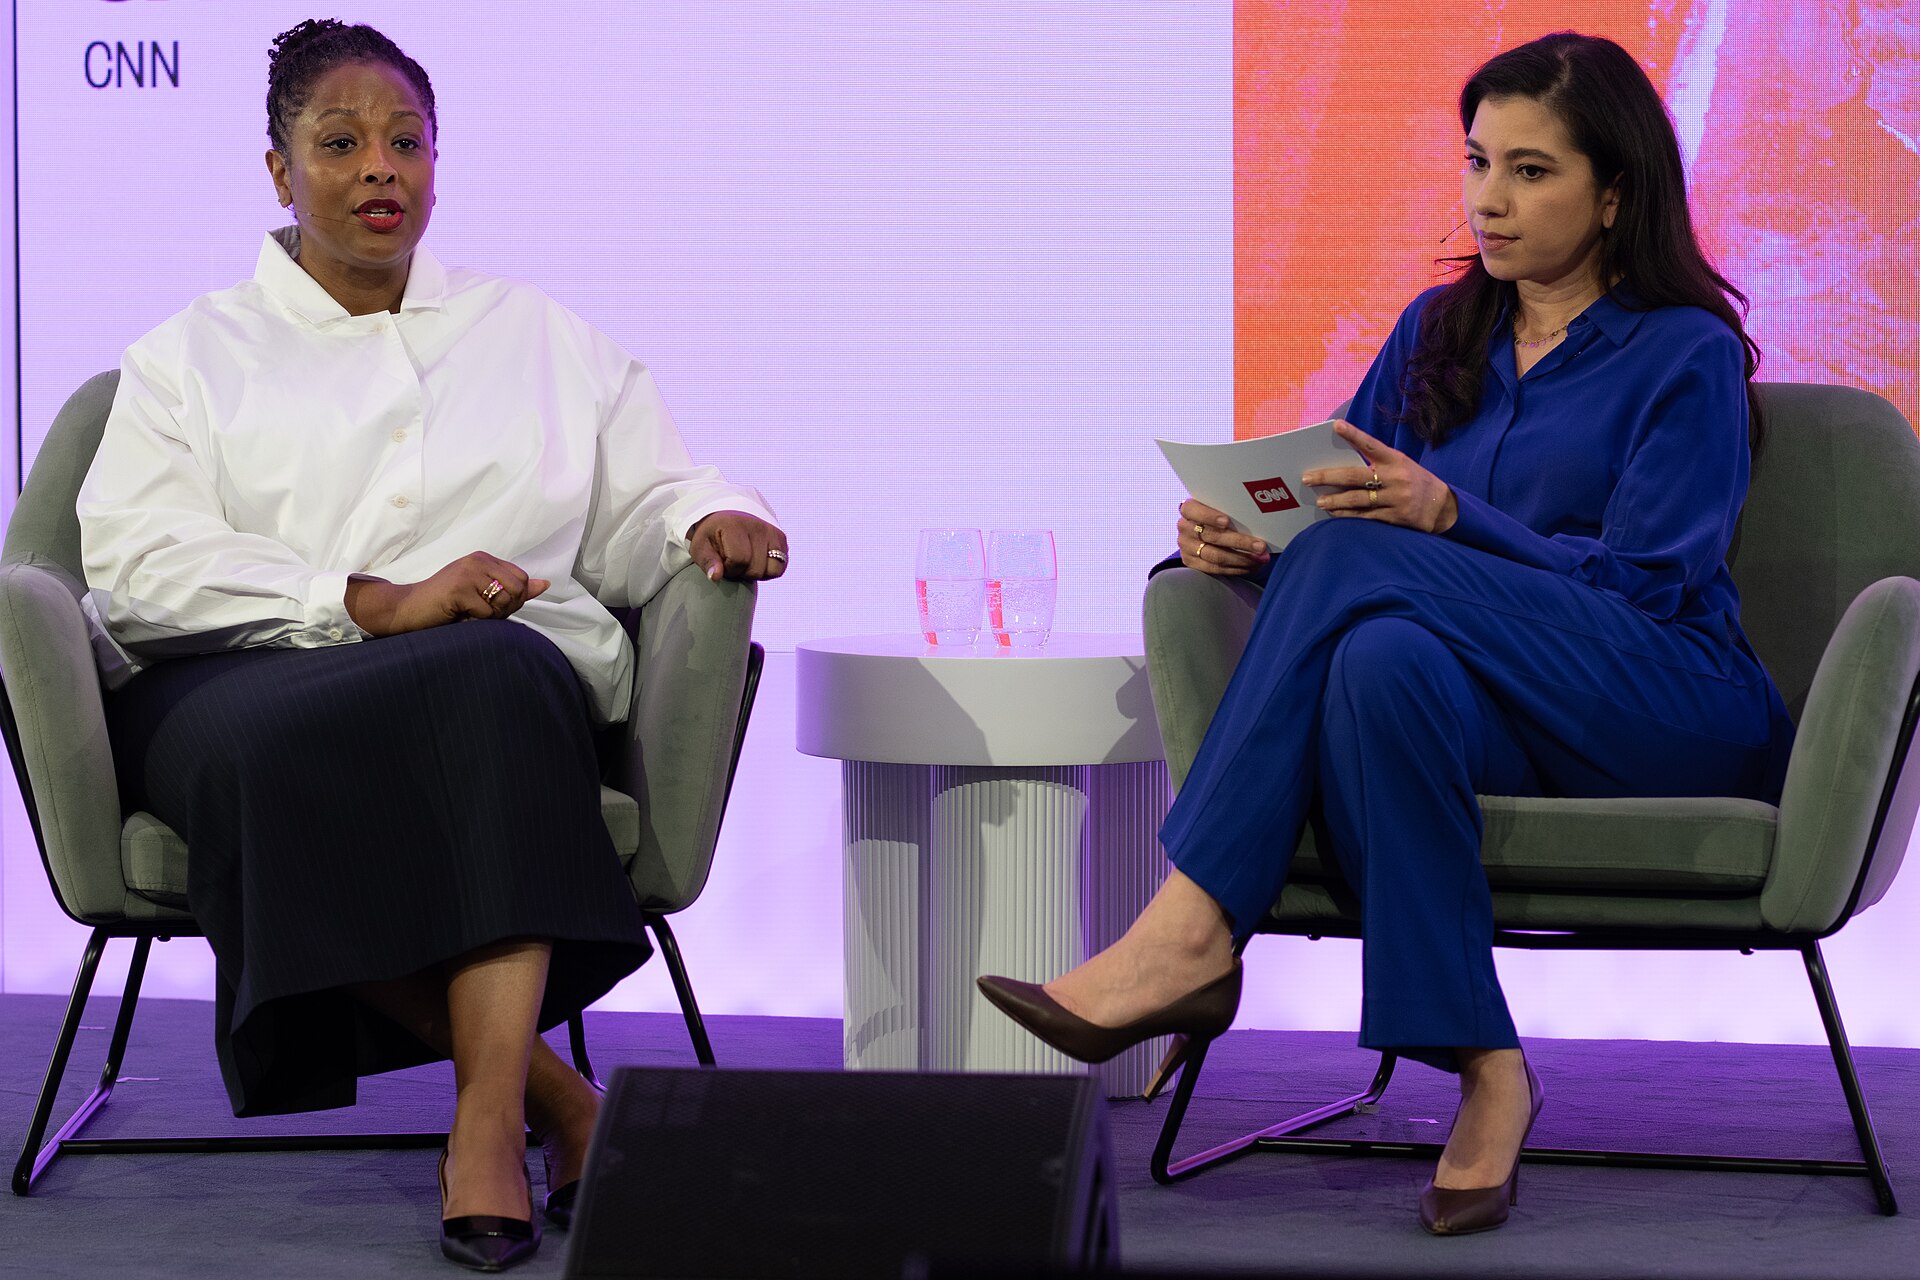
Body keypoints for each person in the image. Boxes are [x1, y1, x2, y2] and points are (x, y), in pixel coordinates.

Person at [978, 30, 1795, 1236]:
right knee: (1379, 658)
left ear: (1614, 192)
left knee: (1375, 569)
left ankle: (1192, 925)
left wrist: (1453, 514)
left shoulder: (1687, 353)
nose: (1488, 199)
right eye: (1477, 163)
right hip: (1492, 701)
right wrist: (1242, 543)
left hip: (1665, 698)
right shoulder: (1437, 332)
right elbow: (1332, 505)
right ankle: (1485, 1064)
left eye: (1530, 170)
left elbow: (1653, 585)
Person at [76, 20, 788, 1273]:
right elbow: (133, 565)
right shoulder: (192, 355)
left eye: (405, 141)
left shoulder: (536, 335)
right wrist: (368, 599)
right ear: (278, 169)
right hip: (239, 686)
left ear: (438, 163)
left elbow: (648, 495)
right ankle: (560, 1105)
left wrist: (704, 517)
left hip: (490, 684)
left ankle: (484, 1127)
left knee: (502, 673)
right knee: (402, 709)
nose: (377, 169)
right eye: (339, 143)